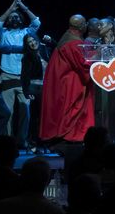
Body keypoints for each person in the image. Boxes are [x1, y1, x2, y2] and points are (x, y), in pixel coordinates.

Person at [40, 15, 93, 143]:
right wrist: (98, 62)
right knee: (70, 110)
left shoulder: (68, 37)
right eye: (85, 23)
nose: (86, 25)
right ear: (81, 26)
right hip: (68, 83)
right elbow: (83, 65)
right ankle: (69, 136)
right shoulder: (73, 43)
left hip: (62, 79)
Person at [0, 0, 41, 140]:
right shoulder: (3, 34)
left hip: (23, 77)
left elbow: (36, 22)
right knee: (8, 112)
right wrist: (11, 9)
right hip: (7, 75)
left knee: (25, 111)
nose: (14, 19)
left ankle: (22, 140)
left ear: (21, 19)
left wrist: (22, 6)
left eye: (17, 17)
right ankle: (8, 140)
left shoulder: (26, 33)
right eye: (12, 17)